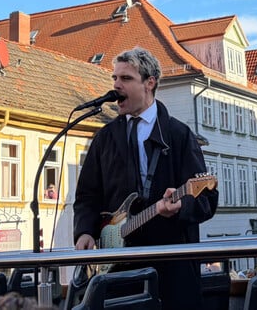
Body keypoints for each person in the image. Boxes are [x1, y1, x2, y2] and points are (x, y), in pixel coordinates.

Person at [73, 46, 218, 310]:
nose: (116, 85)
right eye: (114, 78)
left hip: (170, 269)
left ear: (149, 83)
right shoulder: (105, 137)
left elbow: (207, 198)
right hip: (118, 266)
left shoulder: (178, 135)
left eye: (125, 79)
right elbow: (87, 194)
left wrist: (181, 206)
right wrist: (84, 230)